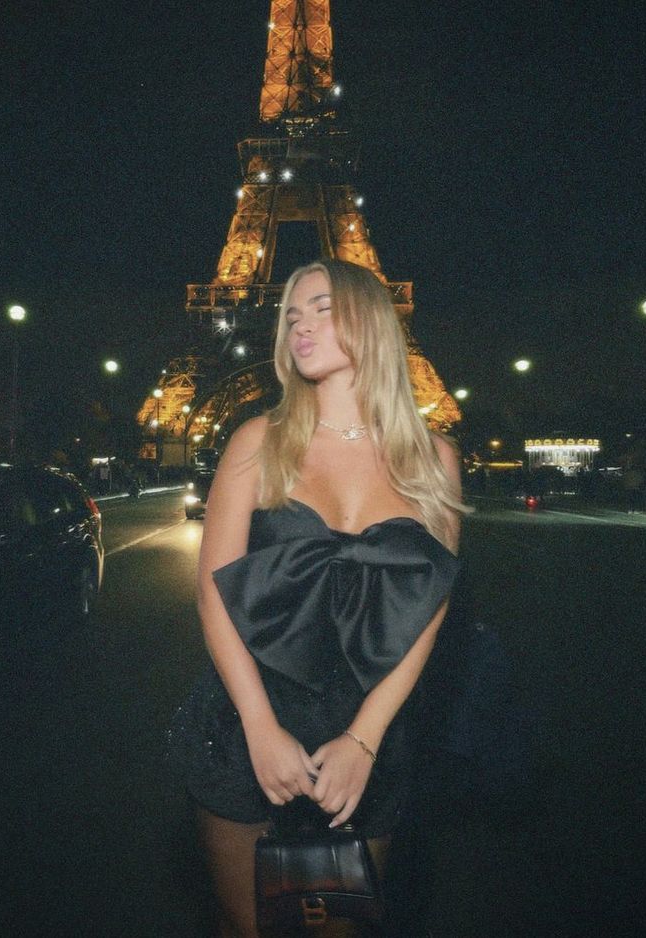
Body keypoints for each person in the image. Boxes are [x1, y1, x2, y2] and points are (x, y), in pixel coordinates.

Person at [169, 259, 469, 937]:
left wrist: (364, 740)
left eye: (322, 308)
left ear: (369, 319)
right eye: (292, 314)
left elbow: (430, 608)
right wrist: (258, 728)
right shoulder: (259, 441)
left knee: (342, 928)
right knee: (246, 928)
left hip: (365, 736)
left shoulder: (435, 458)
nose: (300, 325)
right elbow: (212, 595)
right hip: (248, 722)